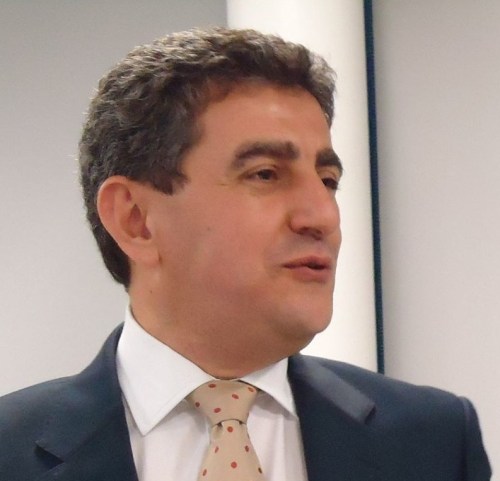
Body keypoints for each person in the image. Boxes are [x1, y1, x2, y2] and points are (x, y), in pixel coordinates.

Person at [0, 27, 491, 481]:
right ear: (136, 219)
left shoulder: (434, 442)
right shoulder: (11, 452)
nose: (322, 216)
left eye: (328, 181)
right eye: (265, 174)